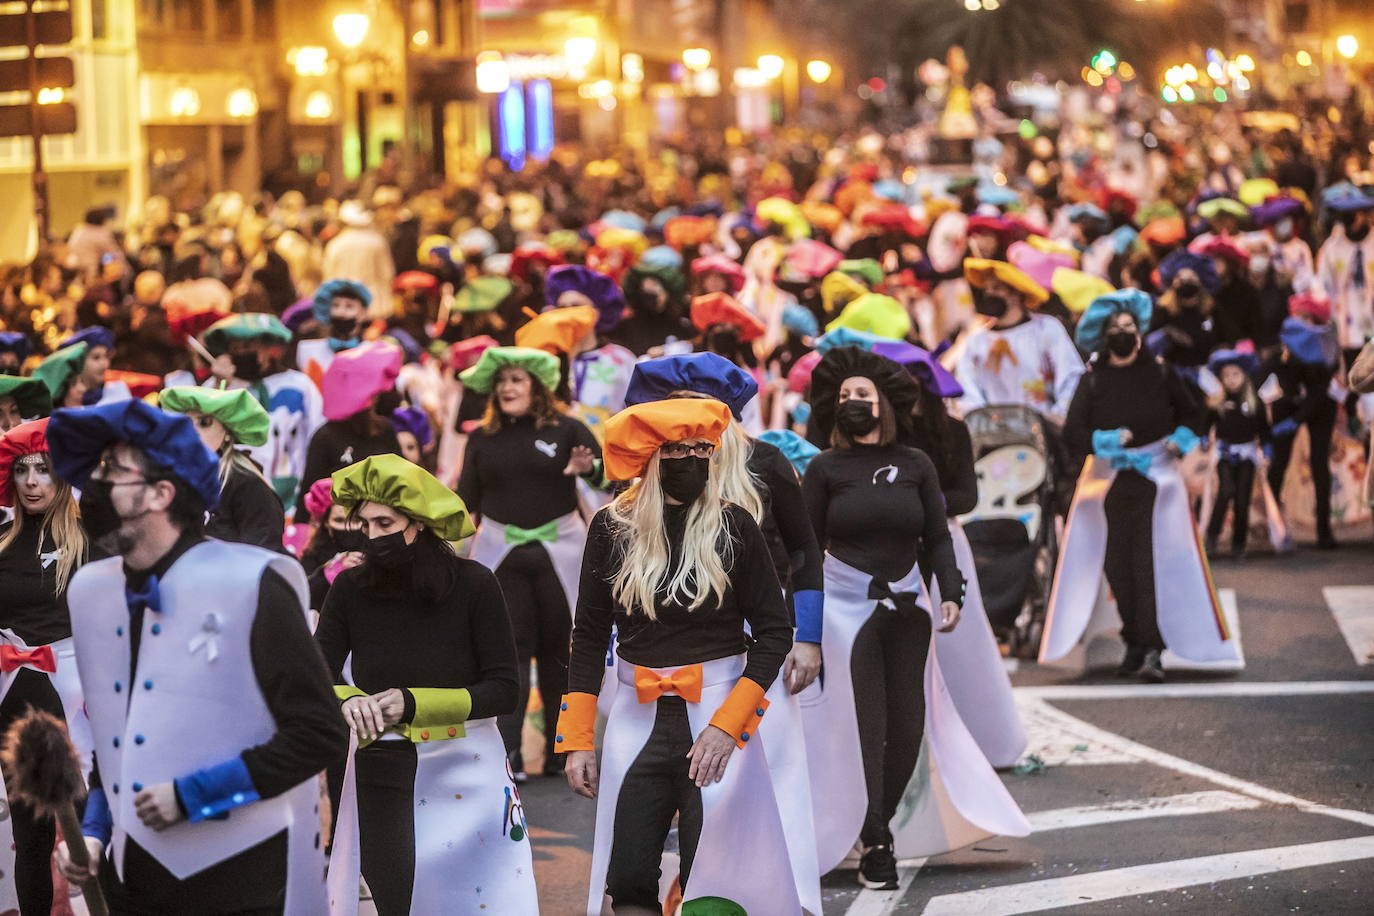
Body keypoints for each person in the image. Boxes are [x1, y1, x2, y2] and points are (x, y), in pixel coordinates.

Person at [48, 399, 347, 914]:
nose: (93, 489)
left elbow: (319, 732)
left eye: (114, 472)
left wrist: (195, 796)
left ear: (162, 493)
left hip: (237, 873)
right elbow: (114, 746)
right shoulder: (91, 591)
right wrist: (94, 834)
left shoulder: (252, 583)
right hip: (131, 875)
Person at [557, 399, 802, 916]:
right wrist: (576, 739)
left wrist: (729, 724)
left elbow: (775, 630)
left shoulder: (735, 525)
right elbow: (588, 635)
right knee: (625, 875)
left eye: (701, 448)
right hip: (634, 716)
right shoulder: (611, 528)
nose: (691, 459)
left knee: (710, 875)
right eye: (676, 448)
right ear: (650, 456)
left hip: (716, 711)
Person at [800, 345, 1027, 891]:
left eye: (864, 395)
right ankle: (877, 839)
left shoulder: (916, 464)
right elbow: (804, 550)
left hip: (909, 606)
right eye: (845, 396)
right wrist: (802, 629)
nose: (854, 402)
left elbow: (937, 535)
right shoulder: (824, 467)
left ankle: (877, 821)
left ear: (885, 405)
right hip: (845, 611)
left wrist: (951, 590)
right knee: (867, 724)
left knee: (907, 727)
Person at [622, 352, 825, 914]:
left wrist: (808, 635)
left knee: (757, 791)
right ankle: (688, 889)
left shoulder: (766, 462)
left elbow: (807, 550)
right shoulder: (654, 468)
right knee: (674, 793)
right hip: (678, 658)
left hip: (759, 646)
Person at [316, 454, 537, 915]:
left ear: (419, 523)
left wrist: (412, 703)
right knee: (397, 901)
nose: (374, 536)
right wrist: (348, 699)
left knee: (475, 904)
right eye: (366, 525)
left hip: (467, 768)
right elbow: (315, 674)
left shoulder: (475, 584)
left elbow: (503, 689)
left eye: (385, 522)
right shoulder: (350, 589)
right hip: (381, 767)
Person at [1045, 290, 1240, 681]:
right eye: (1115, 327)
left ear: (1140, 331)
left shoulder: (1161, 373)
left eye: (1129, 326)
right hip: (1106, 482)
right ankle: (1134, 640)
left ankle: (1152, 648)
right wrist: (1103, 442)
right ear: (1104, 335)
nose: (1123, 332)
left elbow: (1195, 414)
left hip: (1157, 480)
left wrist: (1181, 440)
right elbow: (1074, 433)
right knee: (1117, 567)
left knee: (1149, 565)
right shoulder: (1093, 379)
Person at [870, 339, 1027, 768]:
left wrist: (923, 502)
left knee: (959, 646)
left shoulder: (953, 431)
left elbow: (966, 495)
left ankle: (975, 737)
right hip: (894, 544)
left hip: (942, 543)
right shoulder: (884, 433)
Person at [457, 345, 605, 780]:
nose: (507, 388)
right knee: (510, 654)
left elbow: (609, 479)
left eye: (517, 380)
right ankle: (510, 757)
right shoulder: (481, 438)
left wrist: (586, 469)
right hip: (501, 554)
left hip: (561, 552)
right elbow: (466, 500)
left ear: (537, 387)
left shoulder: (568, 428)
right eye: (501, 381)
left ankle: (564, 754)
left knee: (561, 653)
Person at [0, 418, 90, 916]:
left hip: (80, 696)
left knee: (88, 823)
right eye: (22, 470)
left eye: (44, 470)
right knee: (29, 829)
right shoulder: (0, 538)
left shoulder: (88, 537)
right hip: (12, 694)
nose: (32, 481)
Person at [194, 312, 325, 509]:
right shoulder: (216, 387)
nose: (241, 353)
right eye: (235, 348)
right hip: (232, 495)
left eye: (248, 346)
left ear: (267, 346)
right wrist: (220, 385)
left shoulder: (300, 386)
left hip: (290, 496)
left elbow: (317, 436)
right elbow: (201, 435)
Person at [955, 258, 1084, 423]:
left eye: (997, 288)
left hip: (1044, 431)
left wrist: (1059, 416)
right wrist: (981, 423)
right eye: (986, 289)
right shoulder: (976, 341)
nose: (989, 294)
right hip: (994, 435)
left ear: (1016, 293)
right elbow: (967, 390)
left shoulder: (1046, 328)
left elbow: (1070, 375)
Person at [159, 386, 285, 550]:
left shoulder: (246, 484)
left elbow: (261, 555)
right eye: (186, 422)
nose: (193, 431)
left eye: (204, 423)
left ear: (227, 434)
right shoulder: (171, 478)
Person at [296, 340, 403, 521]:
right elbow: (308, 498)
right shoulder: (325, 437)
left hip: (382, 528)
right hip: (339, 530)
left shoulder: (384, 429)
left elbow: (403, 481)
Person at [1266, 293, 1340, 549]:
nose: (1304, 323)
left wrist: (1298, 419)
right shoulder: (1281, 351)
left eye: (1309, 319)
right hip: (1287, 405)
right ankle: (1272, 527)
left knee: (1320, 462)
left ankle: (1324, 529)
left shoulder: (1327, 350)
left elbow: (1320, 392)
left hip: (1318, 408)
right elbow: (1277, 383)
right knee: (1278, 464)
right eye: (1300, 317)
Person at [1204, 349, 1271, 559]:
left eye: (1235, 375)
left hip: (1247, 455)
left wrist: (1268, 447)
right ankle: (1212, 536)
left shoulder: (1254, 402)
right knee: (1226, 491)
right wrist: (1203, 438)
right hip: (1225, 453)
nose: (1231, 380)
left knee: (1242, 499)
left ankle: (1239, 543)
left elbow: (1264, 430)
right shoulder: (1217, 403)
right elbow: (1205, 423)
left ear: (1244, 376)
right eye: (1227, 376)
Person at [296, 278, 375, 382]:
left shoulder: (372, 354)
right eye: (335, 305)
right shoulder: (307, 350)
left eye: (349, 306)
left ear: (363, 314)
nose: (341, 312)